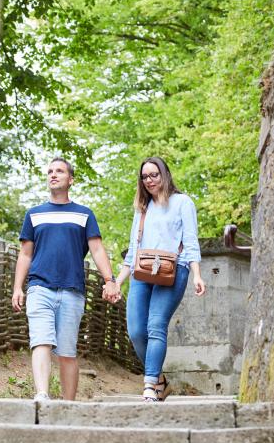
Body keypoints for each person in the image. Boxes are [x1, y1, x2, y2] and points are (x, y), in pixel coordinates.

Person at [11, 158, 120, 402]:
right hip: (40, 287)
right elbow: (25, 254)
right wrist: (18, 287)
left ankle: (68, 406)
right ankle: (42, 395)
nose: (53, 174)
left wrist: (110, 280)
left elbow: (98, 250)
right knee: (41, 341)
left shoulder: (84, 214)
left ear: (70, 179)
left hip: (73, 291)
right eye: (49, 171)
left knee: (68, 352)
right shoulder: (34, 214)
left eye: (59, 171)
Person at [113, 157, 206, 402]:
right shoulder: (142, 208)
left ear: (164, 174)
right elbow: (133, 250)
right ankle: (161, 381)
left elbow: (191, 241)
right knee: (135, 331)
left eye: (154, 175)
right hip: (142, 270)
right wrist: (117, 281)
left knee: (156, 326)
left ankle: (149, 384)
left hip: (174, 270)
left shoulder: (182, 202)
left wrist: (196, 274)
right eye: (145, 177)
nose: (150, 180)